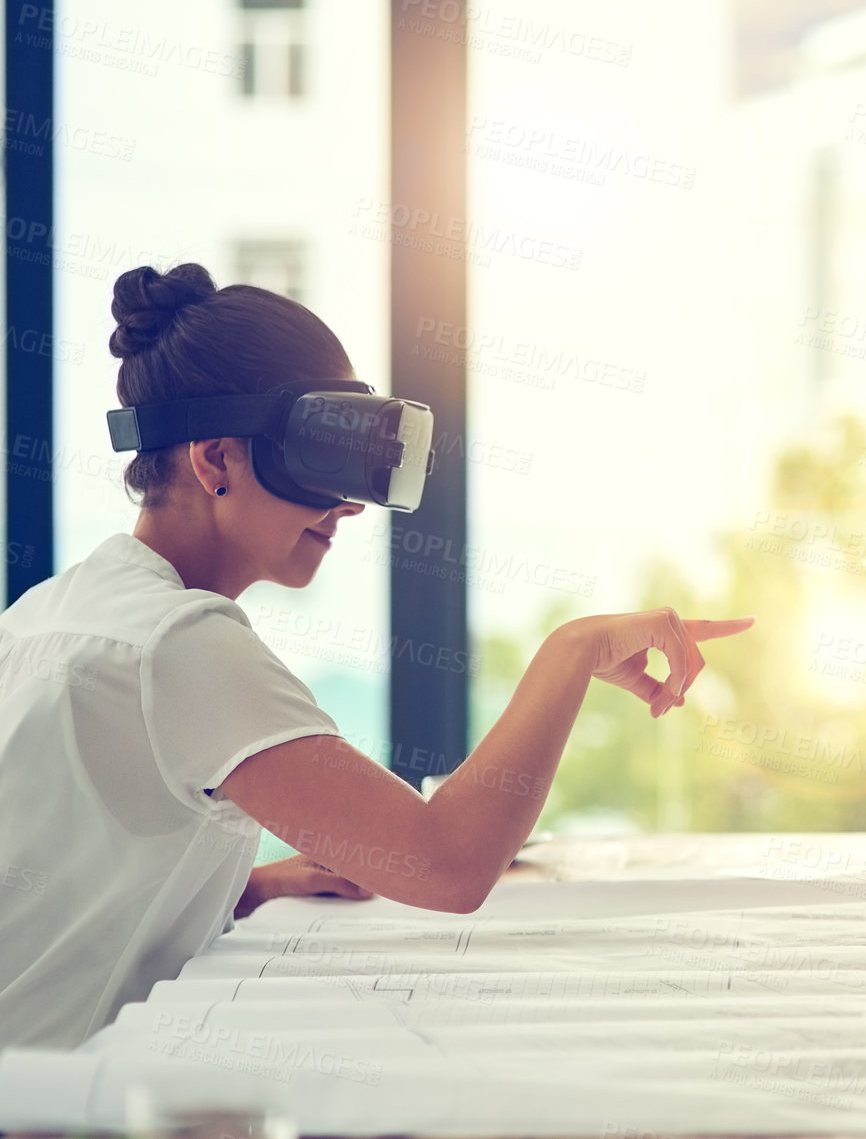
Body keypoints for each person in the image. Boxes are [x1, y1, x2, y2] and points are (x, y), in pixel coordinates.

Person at [0, 263, 751, 1049]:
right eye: (319, 456)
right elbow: (450, 866)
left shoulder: (53, 612)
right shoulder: (179, 642)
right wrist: (573, 651)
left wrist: (245, 889)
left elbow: (63, 880)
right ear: (215, 460)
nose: (350, 504)